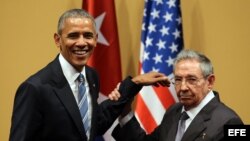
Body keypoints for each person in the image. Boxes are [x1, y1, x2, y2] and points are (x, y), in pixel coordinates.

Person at [9, 9, 170, 141]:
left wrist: (134, 83)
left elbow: (92, 125)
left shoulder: (92, 77)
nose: (81, 43)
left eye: (87, 35)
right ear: (58, 40)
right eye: (73, 36)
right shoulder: (34, 89)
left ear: (96, 39)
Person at [109, 49, 244, 141]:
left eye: (191, 79)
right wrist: (125, 110)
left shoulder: (230, 122)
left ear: (210, 81)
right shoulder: (174, 112)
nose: (183, 87)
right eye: (178, 80)